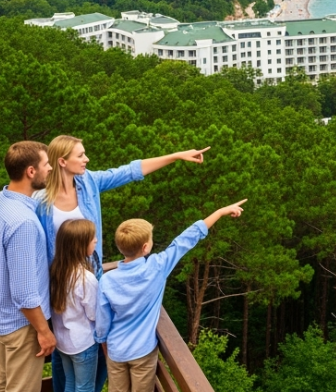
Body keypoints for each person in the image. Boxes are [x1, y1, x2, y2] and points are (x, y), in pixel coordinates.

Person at [37, 135, 211, 392]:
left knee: (90, 359)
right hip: (59, 286)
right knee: (66, 361)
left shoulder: (89, 183)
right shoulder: (40, 201)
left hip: (89, 280)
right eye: (80, 155)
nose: (87, 159)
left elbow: (130, 171)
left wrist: (176, 156)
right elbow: (29, 245)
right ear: (62, 161)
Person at [96, 200, 248, 392]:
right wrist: (219, 212)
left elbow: (102, 321)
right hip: (142, 352)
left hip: (116, 351)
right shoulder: (157, 267)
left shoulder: (107, 280)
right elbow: (185, 240)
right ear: (145, 247)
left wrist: (104, 342)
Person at [0, 141, 56, 392]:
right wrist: (44, 331)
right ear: (31, 171)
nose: (50, 169)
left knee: (3, 384)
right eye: (46, 164)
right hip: (22, 325)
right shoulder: (23, 222)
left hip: (1, 317)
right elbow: (24, 294)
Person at [49, 219, 101, 392]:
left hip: (63, 342)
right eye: (92, 238)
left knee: (70, 383)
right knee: (85, 387)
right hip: (83, 344)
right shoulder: (86, 279)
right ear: (80, 245)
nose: (96, 240)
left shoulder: (55, 271)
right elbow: (94, 315)